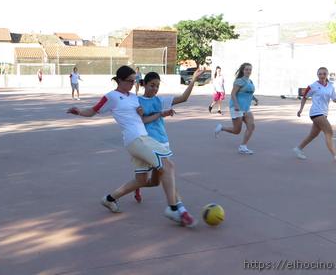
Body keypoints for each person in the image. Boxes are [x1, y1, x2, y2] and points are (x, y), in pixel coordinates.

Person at [67, 66, 197, 227]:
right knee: (168, 165)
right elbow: (93, 110)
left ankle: (109, 199)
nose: (132, 84)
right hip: (136, 139)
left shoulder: (134, 98)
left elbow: (142, 118)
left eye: (134, 81)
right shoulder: (112, 97)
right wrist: (78, 111)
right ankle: (173, 208)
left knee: (141, 180)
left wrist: (144, 113)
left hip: (140, 138)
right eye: (129, 81)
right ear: (119, 80)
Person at [134, 68, 204, 203]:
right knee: (168, 173)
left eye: (157, 86)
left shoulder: (160, 101)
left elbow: (183, 98)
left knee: (155, 182)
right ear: (144, 84)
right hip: (147, 143)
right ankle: (178, 207)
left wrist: (193, 79)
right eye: (152, 85)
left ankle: (137, 185)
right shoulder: (137, 101)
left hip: (162, 142)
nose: (155, 89)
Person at [293, 67, 336, 162]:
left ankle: (298, 149)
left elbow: (334, 99)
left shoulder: (331, 86)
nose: (322, 75)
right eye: (320, 74)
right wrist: (300, 110)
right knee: (329, 131)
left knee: (313, 135)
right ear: (317, 75)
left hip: (324, 113)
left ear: (327, 75)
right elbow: (304, 97)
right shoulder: (312, 86)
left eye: (324, 74)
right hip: (316, 112)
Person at [215, 62, 256, 155]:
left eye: (250, 69)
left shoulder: (250, 81)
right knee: (237, 131)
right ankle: (222, 128)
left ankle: (243, 147)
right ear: (243, 70)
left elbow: (249, 93)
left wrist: (255, 99)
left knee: (252, 126)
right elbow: (233, 94)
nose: (248, 71)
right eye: (246, 69)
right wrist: (237, 105)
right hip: (236, 107)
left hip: (246, 108)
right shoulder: (239, 81)